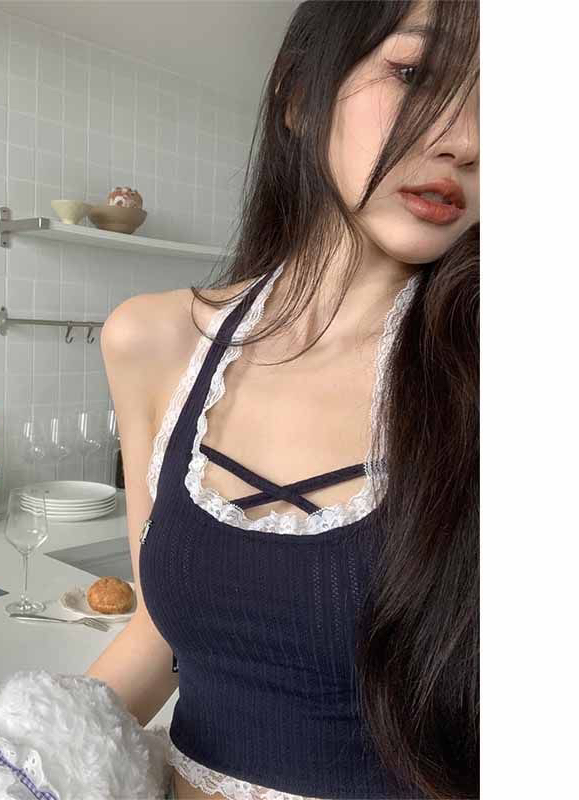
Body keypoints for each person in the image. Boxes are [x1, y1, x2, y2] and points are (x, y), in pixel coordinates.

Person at [87, 0, 479, 797]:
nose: (469, 140)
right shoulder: (151, 342)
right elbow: (163, 630)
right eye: (415, 74)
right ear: (300, 95)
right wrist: (29, 750)